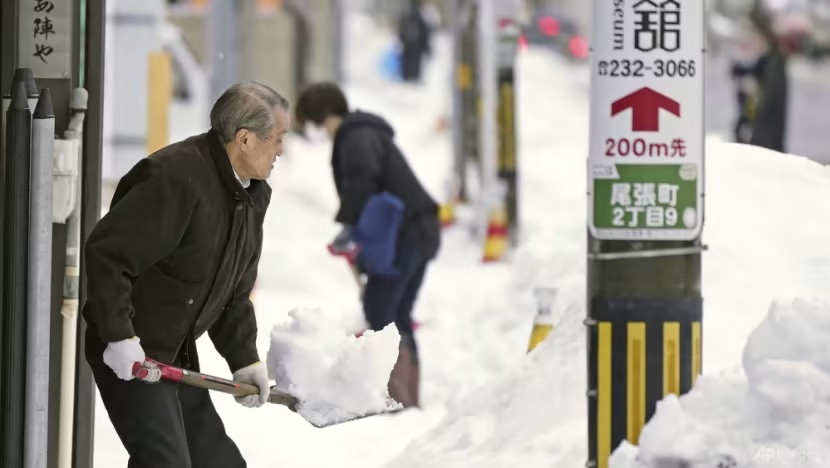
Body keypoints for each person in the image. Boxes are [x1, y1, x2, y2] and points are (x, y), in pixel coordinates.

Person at [82, 81, 290, 468]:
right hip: (132, 351)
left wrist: (244, 358)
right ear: (245, 139)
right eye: (277, 139)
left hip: (175, 351)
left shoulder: (250, 196)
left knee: (218, 463)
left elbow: (234, 293)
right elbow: (109, 254)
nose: (281, 150)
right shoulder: (175, 178)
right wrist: (119, 335)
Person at [294, 82, 441, 408]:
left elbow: (363, 178)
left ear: (321, 117)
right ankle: (405, 397)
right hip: (414, 229)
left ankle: (398, 396)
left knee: (382, 309)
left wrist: (348, 226)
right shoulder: (361, 133)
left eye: (313, 124)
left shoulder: (356, 136)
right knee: (394, 310)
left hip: (408, 232)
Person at [397, 0, 432, 82]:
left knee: (407, 62)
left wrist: (401, 41)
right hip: (417, 47)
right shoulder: (420, 19)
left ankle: (407, 76)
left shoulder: (406, 17)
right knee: (415, 63)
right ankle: (413, 77)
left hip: (407, 46)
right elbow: (425, 33)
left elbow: (401, 31)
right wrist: (426, 47)